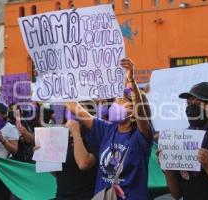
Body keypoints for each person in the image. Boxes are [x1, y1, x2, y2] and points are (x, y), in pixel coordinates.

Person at [65, 58, 154, 199]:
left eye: (121, 101)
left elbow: (140, 112)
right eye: (116, 100)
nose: (114, 103)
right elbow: (75, 107)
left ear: (132, 110)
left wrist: (132, 81)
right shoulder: (107, 129)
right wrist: (54, 80)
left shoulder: (141, 136)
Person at [54, 104, 98, 200]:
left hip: (85, 196)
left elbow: (84, 164)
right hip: (61, 196)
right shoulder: (61, 135)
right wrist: (42, 155)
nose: (74, 109)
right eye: (71, 106)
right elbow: (55, 171)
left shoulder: (94, 135)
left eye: (80, 105)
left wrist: (75, 133)